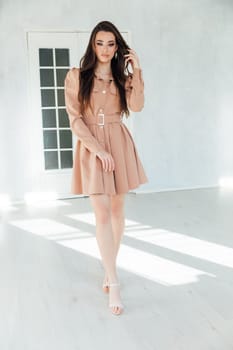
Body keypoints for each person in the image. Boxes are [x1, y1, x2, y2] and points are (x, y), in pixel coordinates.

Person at [64, 20, 148, 316]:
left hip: (119, 142)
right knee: (101, 212)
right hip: (92, 146)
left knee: (116, 212)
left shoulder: (122, 79)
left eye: (111, 44)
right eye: (100, 43)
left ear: (117, 48)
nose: (105, 49)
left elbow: (136, 106)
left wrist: (136, 70)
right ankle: (113, 281)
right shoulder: (77, 76)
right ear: (92, 44)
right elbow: (75, 119)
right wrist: (97, 150)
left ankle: (108, 266)